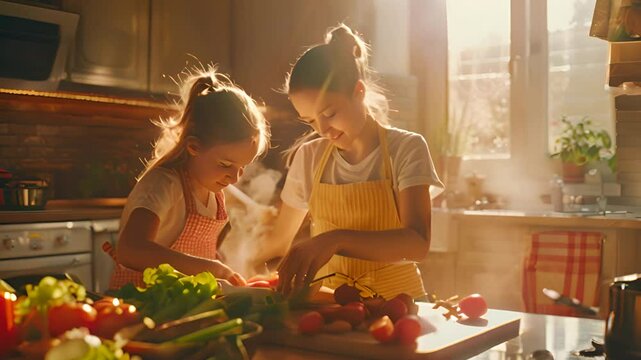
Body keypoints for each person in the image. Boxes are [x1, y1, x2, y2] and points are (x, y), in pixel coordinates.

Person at [272, 24, 444, 300]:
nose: (322, 129)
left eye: (329, 112)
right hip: (332, 305)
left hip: (398, 307)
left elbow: (417, 243)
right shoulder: (310, 157)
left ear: (359, 91)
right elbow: (277, 242)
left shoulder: (407, 149)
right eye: (311, 121)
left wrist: (335, 239)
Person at [105, 66, 270, 289]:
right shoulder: (164, 184)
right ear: (194, 147)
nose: (234, 177)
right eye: (225, 165)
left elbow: (198, 257)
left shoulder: (214, 193)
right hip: (141, 305)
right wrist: (211, 268)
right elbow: (131, 249)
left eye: (242, 168)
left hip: (183, 307)